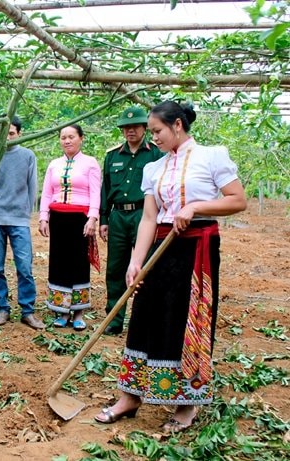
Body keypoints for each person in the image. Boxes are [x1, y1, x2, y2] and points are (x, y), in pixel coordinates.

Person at [94, 101, 246, 432]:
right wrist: (136, 262)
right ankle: (130, 396)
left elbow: (237, 199)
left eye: (158, 131)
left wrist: (196, 206)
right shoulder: (155, 168)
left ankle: (185, 404)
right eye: (151, 132)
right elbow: (149, 217)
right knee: (144, 316)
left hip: (196, 250)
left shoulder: (211, 156)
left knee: (185, 321)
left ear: (177, 125)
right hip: (160, 248)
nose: (154, 137)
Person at [99, 107, 163, 335]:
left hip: (144, 215)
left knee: (145, 267)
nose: (130, 131)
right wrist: (104, 219)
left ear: (144, 128)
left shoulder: (156, 154)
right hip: (118, 217)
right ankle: (113, 321)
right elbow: (105, 189)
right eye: (126, 128)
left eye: (135, 127)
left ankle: (143, 321)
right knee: (116, 268)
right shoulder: (112, 156)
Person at [0, 116, 44, 330]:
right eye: (2, 133)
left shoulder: (28, 156)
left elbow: (31, 185)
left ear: (19, 134)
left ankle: (28, 310)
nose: (6, 138)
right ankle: (2, 308)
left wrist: (25, 212)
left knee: (24, 266)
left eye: (11, 133)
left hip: (19, 219)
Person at [38, 124, 101, 331]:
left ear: (81, 138)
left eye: (71, 136)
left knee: (78, 263)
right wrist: (43, 217)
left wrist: (92, 218)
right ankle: (61, 311)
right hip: (58, 218)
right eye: (63, 137)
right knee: (59, 262)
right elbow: (47, 193)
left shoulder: (90, 163)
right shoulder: (54, 164)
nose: (67, 141)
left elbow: (95, 193)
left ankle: (79, 312)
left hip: (80, 219)